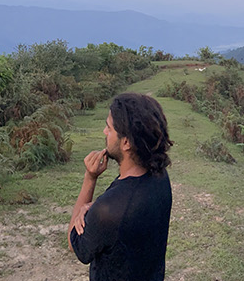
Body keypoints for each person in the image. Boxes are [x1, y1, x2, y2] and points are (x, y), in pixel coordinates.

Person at [68, 92, 174, 280]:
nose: (104, 132)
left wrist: (90, 179)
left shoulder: (109, 210)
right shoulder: (160, 177)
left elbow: (74, 243)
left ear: (126, 142)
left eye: (109, 127)